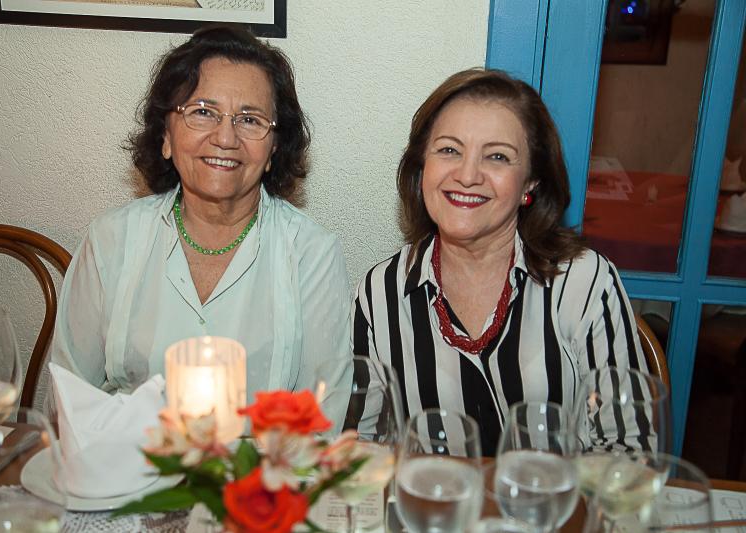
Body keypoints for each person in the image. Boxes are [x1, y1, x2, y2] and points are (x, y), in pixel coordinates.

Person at [352, 69, 648, 455]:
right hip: (433, 494)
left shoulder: (583, 281)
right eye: (449, 150)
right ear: (422, 166)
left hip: (557, 495)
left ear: (530, 183)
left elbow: (629, 450)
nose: (467, 175)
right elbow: (361, 448)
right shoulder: (378, 293)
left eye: (497, 156)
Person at [51, 25, 351, 399]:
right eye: (203, 112)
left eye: (250, 119)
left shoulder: (312, 255)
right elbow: (69, 398)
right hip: (125, 440)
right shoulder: (111, 241)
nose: (225, 138)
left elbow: (320, 414)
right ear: (165, 135)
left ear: (273, 149)